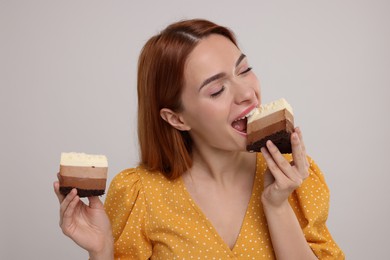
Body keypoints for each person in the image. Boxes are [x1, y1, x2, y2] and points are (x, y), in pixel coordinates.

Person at [54, 19, 344, 259]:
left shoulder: (295, 178)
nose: (246, 94)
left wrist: (277, 205)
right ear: (177, 118)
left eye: (244, 70)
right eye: (217, 90)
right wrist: (102, 250)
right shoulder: (139, 194)